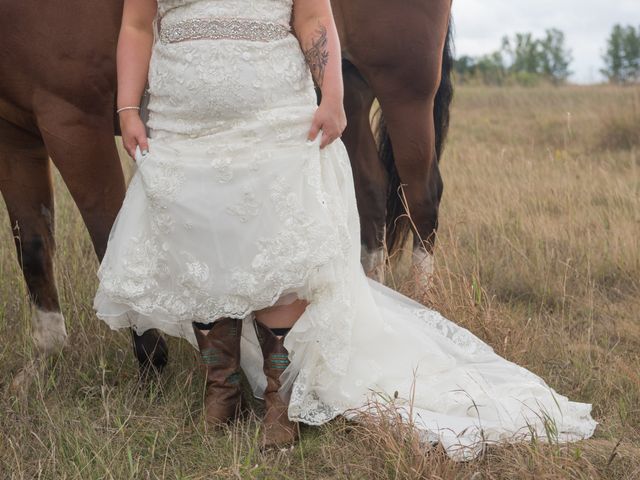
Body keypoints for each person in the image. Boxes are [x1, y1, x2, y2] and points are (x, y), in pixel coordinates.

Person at [94, 0, 596, 459]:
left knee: (278, 246)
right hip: (184, 121)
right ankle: (220, 387)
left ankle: (279, 397)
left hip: (273, 112)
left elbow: (314, 18)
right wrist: (128, 108)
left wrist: (332, 94)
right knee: (200, 242)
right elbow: (137, 25)